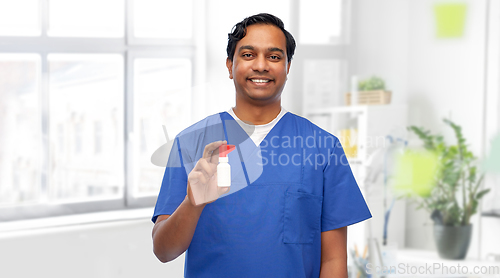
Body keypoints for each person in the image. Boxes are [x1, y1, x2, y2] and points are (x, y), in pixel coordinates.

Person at [152, 13, 371, 278]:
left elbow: (334, 259)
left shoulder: (323, 148)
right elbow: (163, 251)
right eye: (247, 55)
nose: (261, 65)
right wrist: (192, 203)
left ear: (288, 67)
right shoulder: (191, 144)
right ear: (229, 65)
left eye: (274, 56)